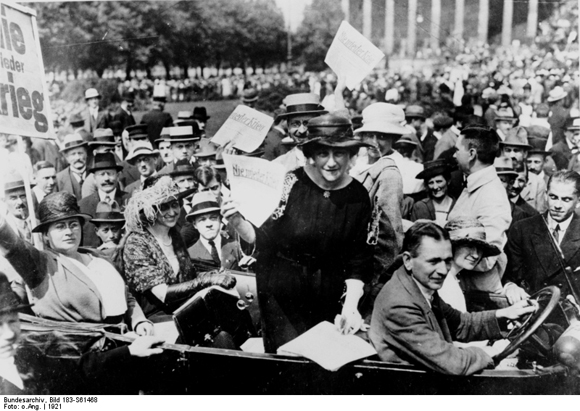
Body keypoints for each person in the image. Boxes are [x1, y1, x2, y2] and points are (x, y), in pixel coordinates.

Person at [223, 114, 373, 353]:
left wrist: (351, 306)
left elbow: (359, 257)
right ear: (311, 155)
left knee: (326, 359)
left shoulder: (357, 196)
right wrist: (237, 221)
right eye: (323, 153)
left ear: (351, 156)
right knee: (290, 361)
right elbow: (262, 238)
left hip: (329, 291)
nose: (332, 162)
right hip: (281, 289)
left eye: (340, 153)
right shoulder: (289, 184)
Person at [369, 221, 536, 375]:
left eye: (447, 261)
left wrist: (505, 315)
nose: (443, 270)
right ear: (408, 260)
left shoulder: (418, 287)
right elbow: (452, 363)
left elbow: (460, 323)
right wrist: (489, 353)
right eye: (433, 261)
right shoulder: (400, 304)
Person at [0, 191, 152, 333]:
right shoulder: (41, 264)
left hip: (127, 338)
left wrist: (139, 320)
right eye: (60, 227)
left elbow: (127, 296)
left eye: (73, 225)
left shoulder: (99, 257)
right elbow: (15, 248)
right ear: (46, 235)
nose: (68, 232)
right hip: (85, 350)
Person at [123, 175, 235, 321]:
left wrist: (215, 275)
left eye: (175, 204)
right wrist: (207, 279)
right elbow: (163, 294)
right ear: (150, 209)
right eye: (163, 207)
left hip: (186, 309)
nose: (172, 212)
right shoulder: (137, 242)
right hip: (156, 319)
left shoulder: (174, 235)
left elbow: (189, 278)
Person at [448, 126, 511, 310]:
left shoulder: (491, 196)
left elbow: (487, 258)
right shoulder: (473, 183)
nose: (454, 155)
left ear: (472, 153)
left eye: (457, 150)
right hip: (461, 287)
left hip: (476, 298)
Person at [504, 170, 580, 304]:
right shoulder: (522, 229)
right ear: (545, 195)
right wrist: (511, 287)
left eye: (566, 199)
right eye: (553, 197)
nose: (557, 205)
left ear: (578, 201)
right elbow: (509, 274)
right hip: (530, 310)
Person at [351, 103, 405, 279]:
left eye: (381, 136)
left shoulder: (388, 173)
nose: (374, 142)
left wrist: (382, 276)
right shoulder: (360, 164)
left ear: (393, 139)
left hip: (371, 267)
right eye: (369, 135)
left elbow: (389, 232)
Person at [440, 217, 501, 312]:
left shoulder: (451, 279)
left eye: (479, 248)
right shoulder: (444, 284)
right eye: (469, 246)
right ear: (452, 245)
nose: (476, 255)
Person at [79, 152, 130, 248]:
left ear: (118, 176)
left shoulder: (130, 201)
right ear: (94, 179)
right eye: (102, 174)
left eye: (110, 174)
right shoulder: (82, 206)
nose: (106, 178)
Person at [187, 192, 243, 270]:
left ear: (220, 219)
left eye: (213, 218)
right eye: (202, 220)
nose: (208, 224)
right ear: (194, 224)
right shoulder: (189, 255)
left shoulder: (236, 247)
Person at [273, 93, 327, 172]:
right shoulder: (279, 165)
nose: (302, 131)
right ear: (288, 127)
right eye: (295, 124)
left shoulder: (332, 161)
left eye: (307, 123)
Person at [501, 126, 547, 213]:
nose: (512, 155)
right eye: (508, 150)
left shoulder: (537, 183)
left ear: (525, 153)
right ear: (502, 151)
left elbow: (540, 216)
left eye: (516, 150)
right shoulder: (494, 176)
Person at [411, 159, 455, 226]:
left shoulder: (458, 205)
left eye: (439, 181)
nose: (435, 187)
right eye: (431, 183)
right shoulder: (420, 207)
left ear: (448, 181)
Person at [56, 134, 89, 200]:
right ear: (67, 157)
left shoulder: (94, 174)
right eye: (73, 154)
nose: (77, 158)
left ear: (86, 154)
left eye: (80, 153)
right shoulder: (59, 179)